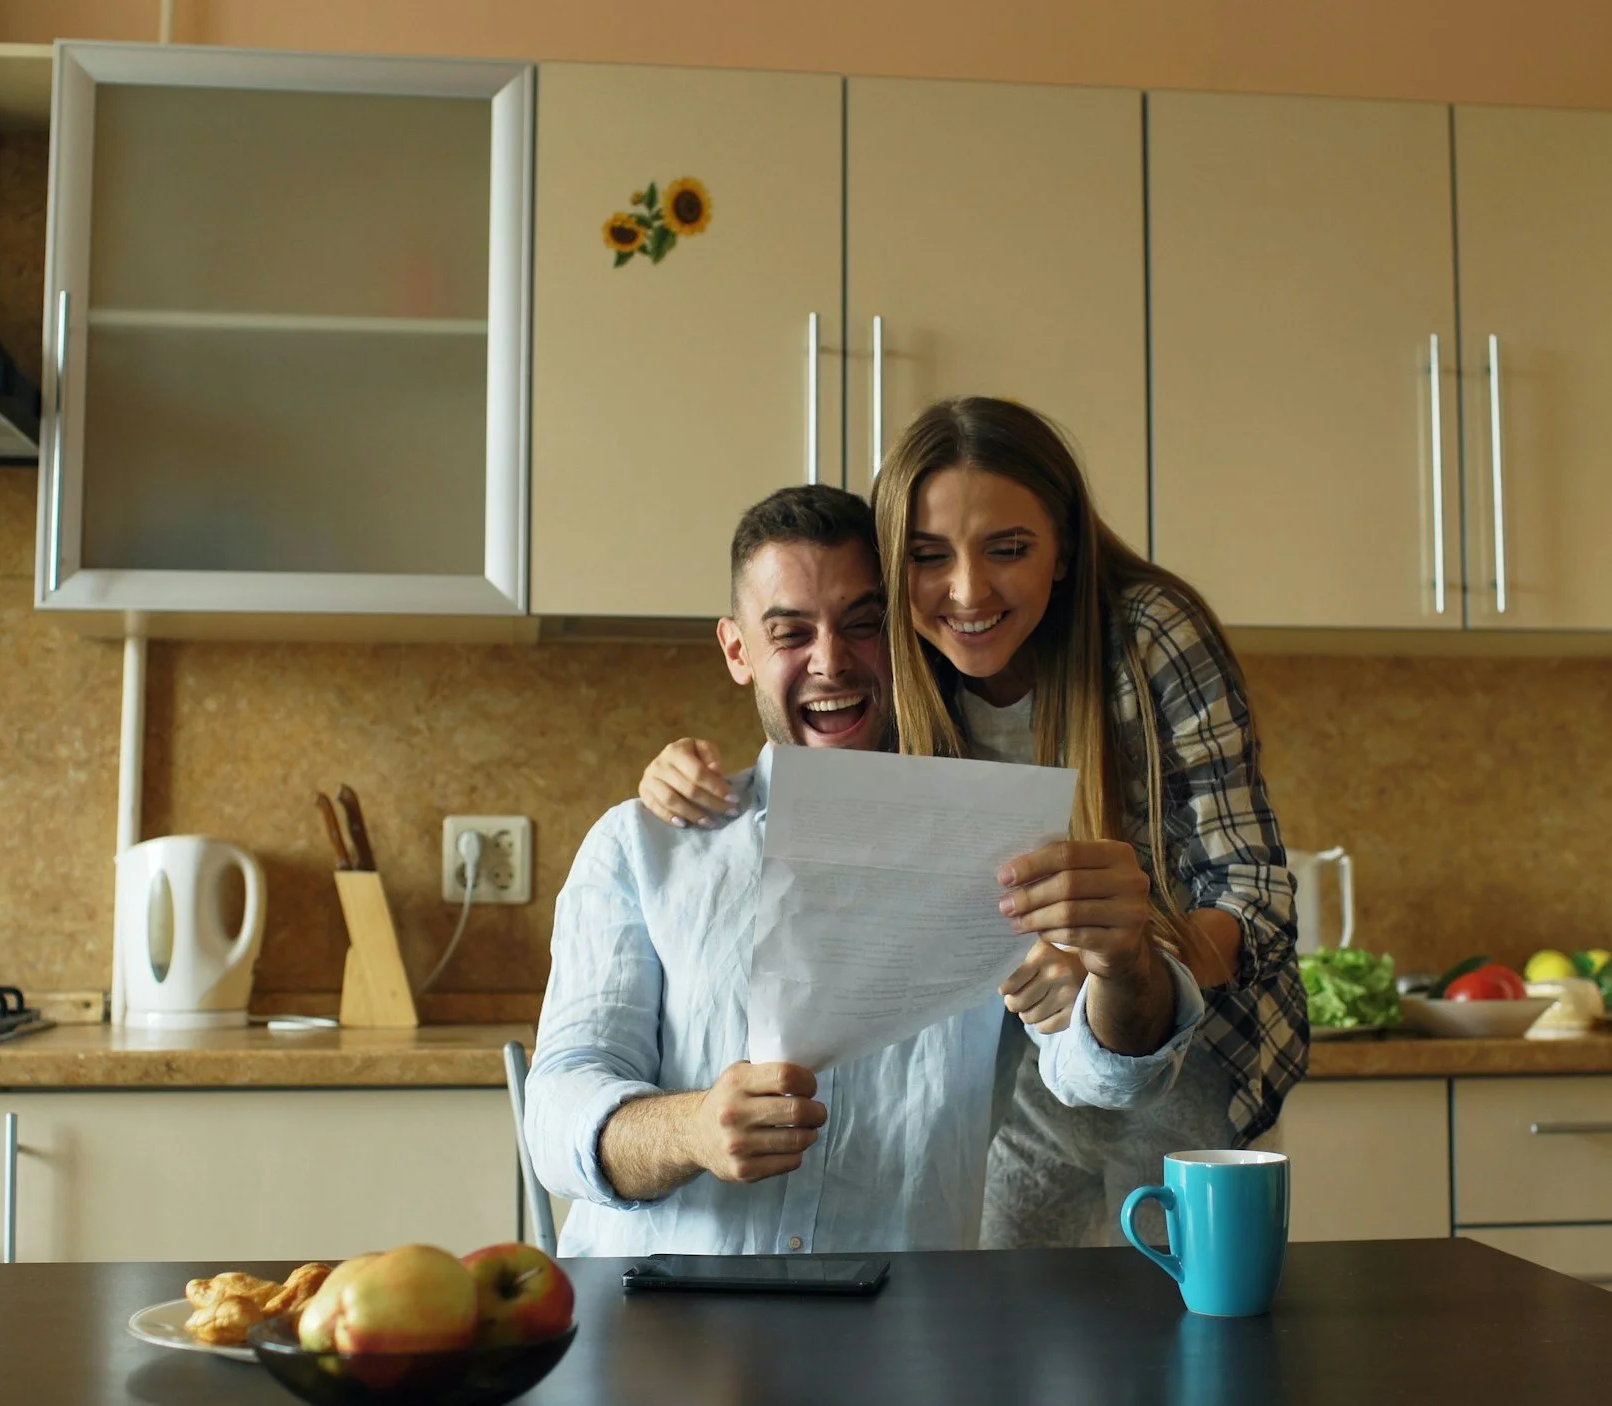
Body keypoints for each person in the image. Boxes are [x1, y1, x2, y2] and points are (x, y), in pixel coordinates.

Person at [637, 397, 1308, 1247]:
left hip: (1197, 1056)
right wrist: (683, 769)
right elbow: (815, 741)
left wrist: (1122, 971)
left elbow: (1258, 906)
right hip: (1011, 1073)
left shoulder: (1145, 638)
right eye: (926, 557)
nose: (966, 590)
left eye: (1009, 548)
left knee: (1180, 1335)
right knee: (1009, 1338)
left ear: (1062, 546)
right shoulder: (908, 657)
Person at [524, 483, 1204, 1257]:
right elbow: (553, 1115)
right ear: (737, 650)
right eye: (790, 632)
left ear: (907, 636)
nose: (830, 661)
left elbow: (1107, 1079)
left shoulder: (998, 846)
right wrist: (691, 1130)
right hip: (653, 1337)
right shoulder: (643, 845)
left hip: (898, 1339)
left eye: (862, 624)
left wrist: (1122, 968)